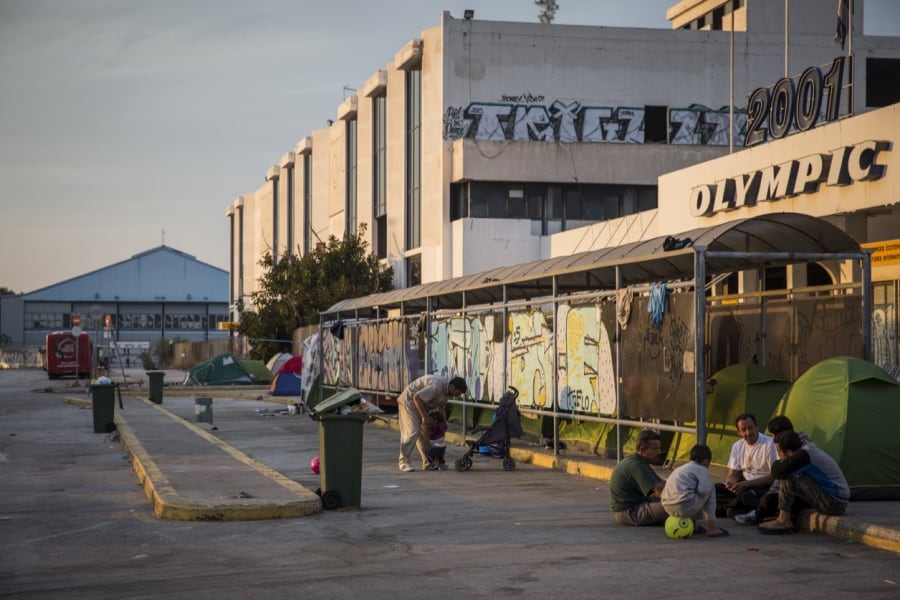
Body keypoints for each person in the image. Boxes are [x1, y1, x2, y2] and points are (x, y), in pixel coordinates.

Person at [759, 430, 850, 534]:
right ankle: (785, 516)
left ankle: (783, 520)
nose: (778, 455)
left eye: (779, 451)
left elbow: (777, 472)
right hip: (833, 498)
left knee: (789, 476)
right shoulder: (803, 449)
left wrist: (780, 463)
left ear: (789, 452)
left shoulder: (803, 455)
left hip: (835, 502)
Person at [735, 414, 814, 526]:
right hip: (807, 491)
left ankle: (777, 518)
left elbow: (778, 474)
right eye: (743, 430)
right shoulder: (793, 446)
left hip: (823, 498)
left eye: (774, 436)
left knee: (768, 498)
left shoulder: (802, 451)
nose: (772, 440)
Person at [715, 413, 778, 521]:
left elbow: (773, 477)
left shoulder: (769, 444)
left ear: (757, 428)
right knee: (716, 489)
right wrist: (731, 483)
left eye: (750, 428)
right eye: (743, 430)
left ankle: (726, 509)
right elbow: (732, 474)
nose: (748, 433)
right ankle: (737, 508)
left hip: (761, 486)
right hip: (743, 485)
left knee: (746, 495)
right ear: (739, 432)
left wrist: (747, 484)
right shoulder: (737, 446)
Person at [397, 375, 467, 472]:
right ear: (452, 387)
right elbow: (416, 398)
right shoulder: (437, 386)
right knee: (412, 431)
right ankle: (403, 462)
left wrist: (444, 422)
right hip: (409, 402)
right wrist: (424, 416)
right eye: (457, 393)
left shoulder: (446, 394)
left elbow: (441, 408)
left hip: (421, 406)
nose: (457, 396)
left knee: (425, 435)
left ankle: (428, 462)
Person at [661, 444, 729, 537]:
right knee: (710, 486)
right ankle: (712, 528)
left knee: (688, 491)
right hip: (684, 507)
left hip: (667, 507)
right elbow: (703, 491)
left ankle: (694, 525)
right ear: (706, 462)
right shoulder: (701, 469)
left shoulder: (680, 469)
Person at [609, 429, 668, 526]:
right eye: (655, 449)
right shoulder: (637, 466)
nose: (659, 452)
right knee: (674, 506)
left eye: (659, 448)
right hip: (629, 512)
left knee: (674, 503)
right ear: (642, 450)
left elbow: (661, 483)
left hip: (638, 503)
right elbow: (660, 491)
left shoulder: (639, 461)